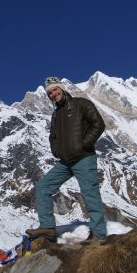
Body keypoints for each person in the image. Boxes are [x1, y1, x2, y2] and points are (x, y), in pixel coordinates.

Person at [26, 76, 108, 243]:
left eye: (55, 90)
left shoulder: (81, 104)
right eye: (49, 93)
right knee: (43, 186)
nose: (53, 94)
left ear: (62, 88)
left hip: (84, 158)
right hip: (65, 162)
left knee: (90, 194)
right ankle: (48, 228)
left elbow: (98, 124)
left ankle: (98, 234)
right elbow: (53, 137)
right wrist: (57, 151)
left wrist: (84, 144)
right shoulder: (56, 114)